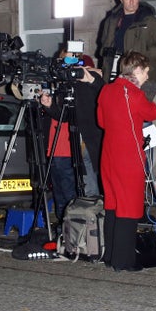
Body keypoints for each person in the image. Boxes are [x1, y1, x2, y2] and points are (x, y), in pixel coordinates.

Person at [97, 51, 156, 272]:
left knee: (113, 205)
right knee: (128, 208)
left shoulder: (106, 89)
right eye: (145, 70)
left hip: (109, 154)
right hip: (129, 157)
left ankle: (110, 256)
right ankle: (123, 261)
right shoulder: (133, 93)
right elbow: (153, 112)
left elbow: (102, 121)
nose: (147, 74)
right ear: (136, 71)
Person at [38, 45, 105, 219]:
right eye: (65, 60)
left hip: (88, 141)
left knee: (89, 190)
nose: (69, 64)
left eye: (73, 59)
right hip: (73, 142)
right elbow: (65, 116)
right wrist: (50, 105)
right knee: (67, 191)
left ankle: (93, 228)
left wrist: (89, 77)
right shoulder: (64, 83)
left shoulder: (88, 77)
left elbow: (103, 90)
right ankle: (69, 230)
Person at [96, 0, 156, 101]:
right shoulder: (111, 21)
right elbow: (104, 47)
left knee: (137, 116)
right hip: (113, 76)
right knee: (116, 116)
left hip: (141, 78)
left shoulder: (149, 20)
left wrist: (142, 55)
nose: (132, 2)